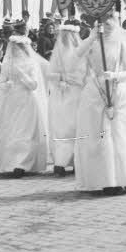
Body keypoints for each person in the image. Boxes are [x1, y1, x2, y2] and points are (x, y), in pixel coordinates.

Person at [73, 14, 126, 194]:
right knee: (101, 135)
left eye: (109, 20)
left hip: (118, 90)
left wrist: (115, 76)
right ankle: (107, 180)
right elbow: (76, 56)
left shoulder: (121, 43)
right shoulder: (93, 43)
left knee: (121, 134)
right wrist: (91, 38)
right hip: (96, 91)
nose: (106, 24)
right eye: (102, 20)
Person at [0, 36, 50, 177]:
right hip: (12, 100)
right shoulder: (8, 64)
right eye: (13, 47)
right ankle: (12, 162)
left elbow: (34, 85)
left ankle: (22, 163)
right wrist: (5, 85)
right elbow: (1, 83)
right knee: (12, 129)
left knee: (25, 130)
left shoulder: (31, 63)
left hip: (27, 100)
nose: (14, 50)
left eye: (17, 47)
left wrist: (22, 77)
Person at [46, 26, 84, 176]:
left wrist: (69, 80)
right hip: (61, 94)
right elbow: (50, 73)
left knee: (75, 125)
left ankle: (75, 160)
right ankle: (61, 161)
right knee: (62, 126)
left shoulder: (80, 53)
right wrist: (60, 80)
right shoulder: (59, 54)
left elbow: (84, 73)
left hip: (75, 93)